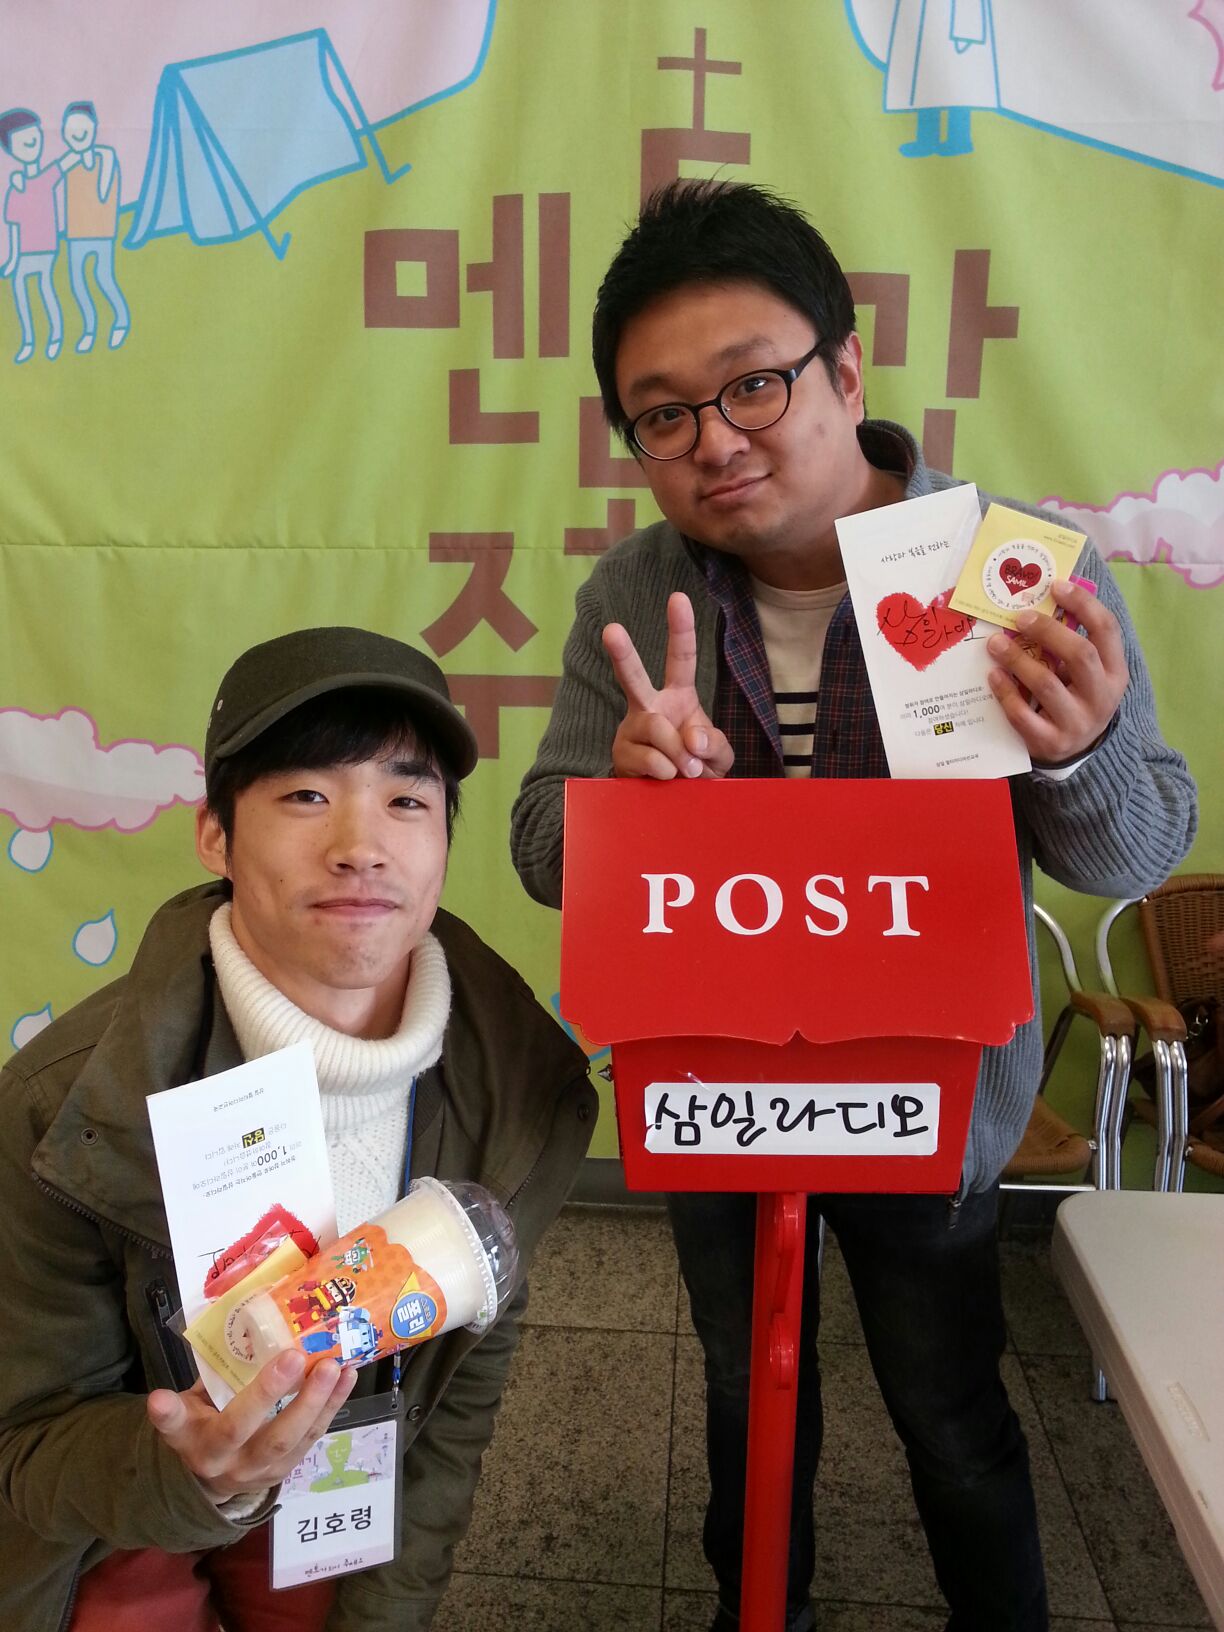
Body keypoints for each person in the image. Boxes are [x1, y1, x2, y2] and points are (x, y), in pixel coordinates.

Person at [511, 179, 1197, 1632]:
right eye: (663, 416)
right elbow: (538, 849)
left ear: (846, 370)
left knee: (950, 1407)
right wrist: (627, 800)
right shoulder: (635, 590)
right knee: (743, 1393)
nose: (717, 441)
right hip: (717, 1086)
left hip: (932, 1094)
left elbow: (1134, 854)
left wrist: (1077, 751)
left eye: (752, 384)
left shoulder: (1009, 572)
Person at [0, 626, 596, 1632]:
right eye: (307, 796)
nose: (361, 844)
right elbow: (28, 1439)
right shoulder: (66, 1107)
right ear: (215, 837)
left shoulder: (518, 1086)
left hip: (343, 1487)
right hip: (124, 1497)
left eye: (407, 801)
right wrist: (198, 1473)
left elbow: (456, 1400)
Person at [60, 100, 130, 353]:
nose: (77, 134)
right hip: (76, 232)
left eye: (83, 128)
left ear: (94, 127)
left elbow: (104, 185)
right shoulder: (67, 162)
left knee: (104, 277)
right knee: (78, 283)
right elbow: (46, 180)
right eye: (70, 129)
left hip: (101, 231)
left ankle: (121, 321)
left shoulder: (105, 155)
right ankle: (89, 328)